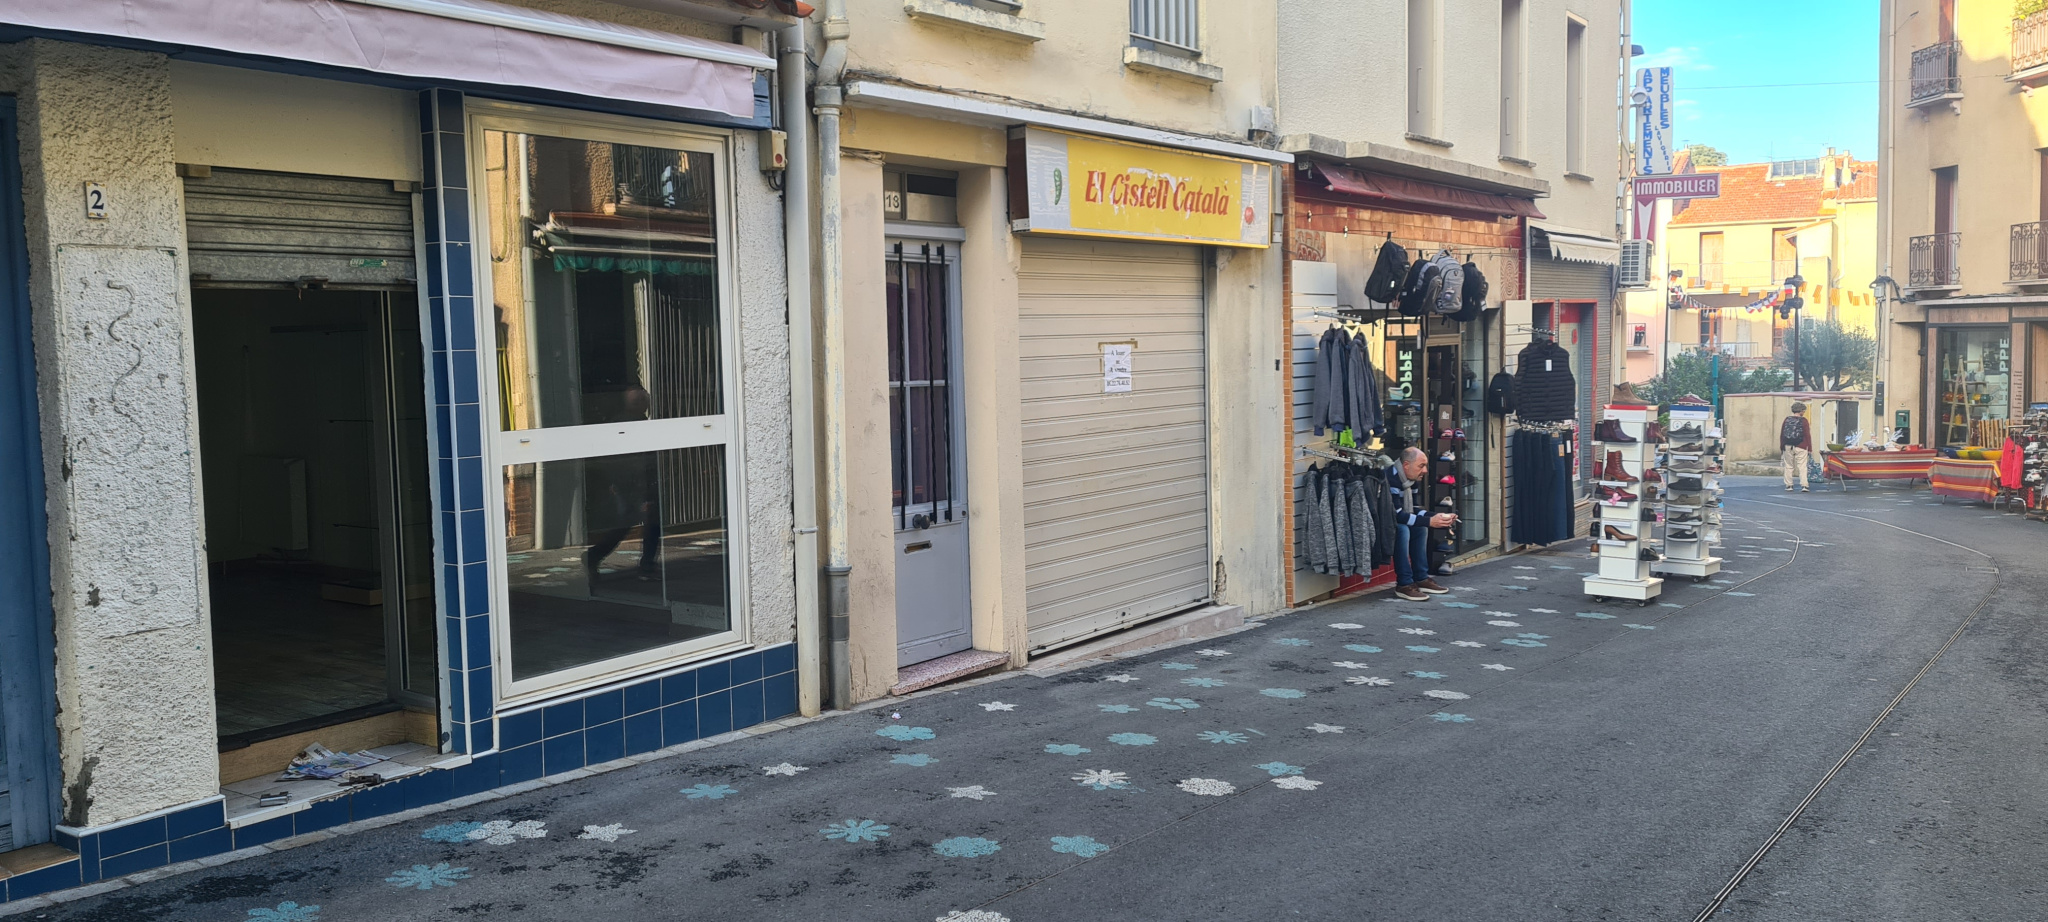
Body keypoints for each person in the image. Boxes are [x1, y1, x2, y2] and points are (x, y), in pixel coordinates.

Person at [1390, 446, 1459, 601]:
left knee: (1421, 528)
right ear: (1406, 465)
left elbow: (1414, 509)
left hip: (1396, 519)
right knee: (1402, 530)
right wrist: (1430, 521)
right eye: (1421, 466)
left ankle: (1421, 578)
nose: (1425, 471)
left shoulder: (1411, 480)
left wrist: (1437, 516)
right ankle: (1404, 584)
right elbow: (1397, 515)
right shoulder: (1391, 479)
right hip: (1382, 524)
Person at [1780, 401, 1815, 493]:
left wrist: (1782, 446)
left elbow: (1782, 434)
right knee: (1802, 466)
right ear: (1801, 411)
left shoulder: (1787, 420)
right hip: (1801, 446)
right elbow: (1807, 435)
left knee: (1788, 466)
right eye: (1803, 411)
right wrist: (1809, 448)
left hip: (1788, 446)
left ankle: (1789, 485)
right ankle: (1804, 485)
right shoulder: (1804, 421)